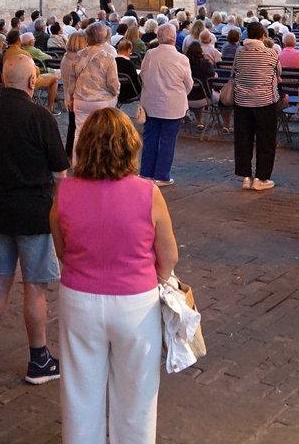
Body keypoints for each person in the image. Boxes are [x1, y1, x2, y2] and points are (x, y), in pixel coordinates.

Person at [50, 108, 179, 444]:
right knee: (136, 397)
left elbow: (62, 250)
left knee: (80, 395)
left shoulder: (64, 192)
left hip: (79, 297)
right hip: (136, 302)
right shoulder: (148, 193)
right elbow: (169, 257)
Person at [0, 54, 69, 383]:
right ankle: (39, 358)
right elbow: (59, 172)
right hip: (33, 212)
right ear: (31, 82)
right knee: (35, 287)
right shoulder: (41, 117)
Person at [138, 24, 194, 186]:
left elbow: (143, 74)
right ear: (174, 38)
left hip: (151, 102)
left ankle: (146, 172)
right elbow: (188, 84)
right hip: (172, 105)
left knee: (150, 138)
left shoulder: (150, 54)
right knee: (167, 141)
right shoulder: (181, 59)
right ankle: (161, 175)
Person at [234, 21, 281, 191]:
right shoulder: (271, 53)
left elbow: (236, 70)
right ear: (263, 36)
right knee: (266, 140)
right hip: (265, 101)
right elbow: (278, 71)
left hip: (242, 101)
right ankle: (261, 178)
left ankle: (245, 176)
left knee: (243, 139)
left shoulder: (239, 53)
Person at [62, 23, 120, 146]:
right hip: (102, 100)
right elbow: (112, 83)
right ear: (104, 38)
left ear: (87, 37)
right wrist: (116, 93)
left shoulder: (79, 55)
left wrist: (69, 97)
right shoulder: (108, 57)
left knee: (79, 134)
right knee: (102, 135)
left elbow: (72, 80)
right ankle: (99, 162)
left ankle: (78, 163)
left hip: (81, 99)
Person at [115, 38, 143, 103]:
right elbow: (136, 81)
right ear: (129, 50)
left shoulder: (112, 62)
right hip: (130, 93)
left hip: (115, 93)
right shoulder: (129, 64)